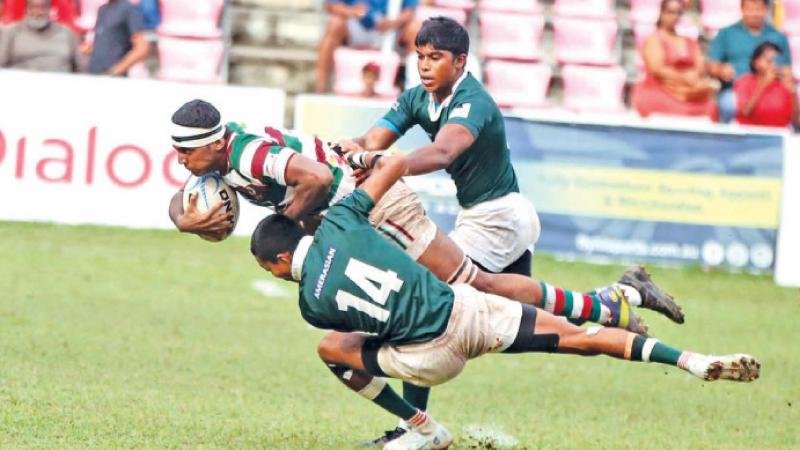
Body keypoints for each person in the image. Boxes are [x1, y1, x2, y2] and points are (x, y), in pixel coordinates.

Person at [167, 99, 683, 446]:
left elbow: (318, 176)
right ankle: (415, 427)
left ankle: (613, 301)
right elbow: (186, 199)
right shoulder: (219, 153)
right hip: (356, 219)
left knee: (469, 283)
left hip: (377, 206)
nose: (182, 161)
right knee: (396, 316)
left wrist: (289, 223)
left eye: (187, 151)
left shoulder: (248, 154)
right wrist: (183, 218)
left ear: (213, 144)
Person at [250, 152, 760, 450]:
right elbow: (396, 162)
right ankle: (692, 360)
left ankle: (422, 428)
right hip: (469, 312)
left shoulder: (311, 307)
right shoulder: (342, 220)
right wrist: (363, 160)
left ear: (274, 265)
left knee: (333, 349)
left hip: (428, 362)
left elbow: (370, 326)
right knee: (583, 339)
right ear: (300, 230)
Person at [707, 0, 792, 123]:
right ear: (742, 9)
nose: (754, 14)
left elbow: (786, 69)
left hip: (771, 90)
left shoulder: (778, 36)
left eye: (758, 9)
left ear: (766, 10)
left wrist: (778, 76)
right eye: (750, 9)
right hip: (736, 91)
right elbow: (711, 65)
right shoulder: (726, 33)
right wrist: (721, 70)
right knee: (728, 104)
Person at [631, 0, 717, 119]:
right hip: (660, 90)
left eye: (678, 13)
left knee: (711, 108)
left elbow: (700, 66)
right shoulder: (654, 40)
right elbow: (657, 69)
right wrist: (683, 77)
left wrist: (693, 77)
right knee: (681, 112)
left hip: (689, 91)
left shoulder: (688, 41)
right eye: (670, 12)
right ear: (661, 13)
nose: (674, 17)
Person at [315, 0, 420, 93]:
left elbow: (410, 11)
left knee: (415, 29)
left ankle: (416, 93)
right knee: (335, 24)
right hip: (357, 25)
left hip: (391, 31)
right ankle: (320, 87)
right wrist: (352, 11)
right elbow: (332, 5)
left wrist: (394, 22)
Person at [0, 0, 80, 73]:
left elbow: (80, 69)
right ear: (26, 9)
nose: (38, 13)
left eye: (43, 7)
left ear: (50, 9)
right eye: (33, 7)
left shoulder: (67, 33)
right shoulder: (11, 32)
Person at [735, 41, 797, 127]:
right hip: (750, 133)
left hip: (780, 133)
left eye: (775, 60)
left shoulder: (784, 83)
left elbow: (796, 121)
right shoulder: (745, 81)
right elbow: (745, 112)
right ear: (755, 62)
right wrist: (763, 85)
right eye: (768, 60)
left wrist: (793, 93)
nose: (772, 64)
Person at [86, 0, 148, 76]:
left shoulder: (129, 9)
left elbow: (142, 48)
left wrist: (117, 70)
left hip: (113, 77)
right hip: (93, 73)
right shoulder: (103, 10)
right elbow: (106, 41)